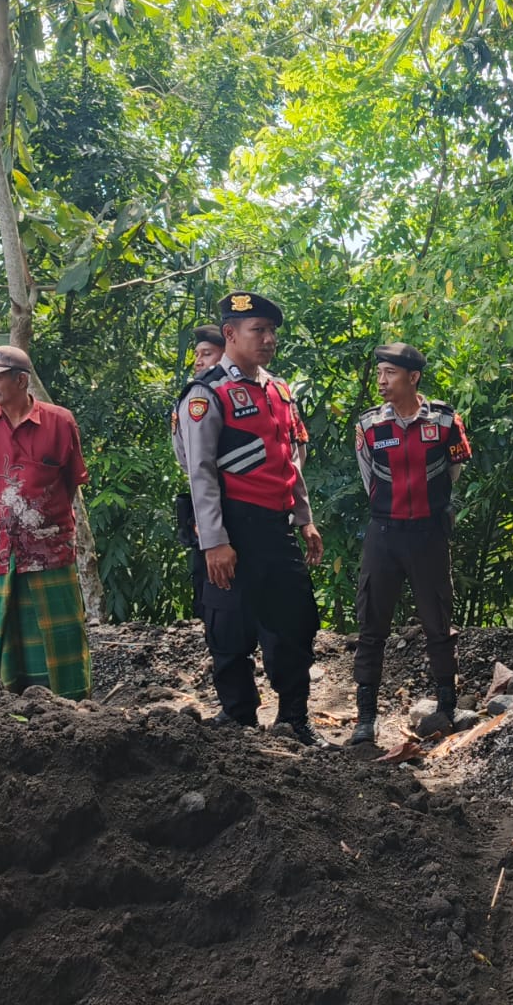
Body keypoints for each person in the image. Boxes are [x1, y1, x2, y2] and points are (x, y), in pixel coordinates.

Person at [175, 291, 328, 746]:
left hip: (275, 528)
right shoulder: (206, 394)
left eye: (271, 330)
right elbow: (199, 471)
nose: (268, 339)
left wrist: (305, 518)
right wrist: (214, 541)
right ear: (230, 334)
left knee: (293, 622)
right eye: (257, 330)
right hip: (230, 528)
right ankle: (238, 719)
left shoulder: (279, 390)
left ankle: (294, 720)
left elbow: (288, 461)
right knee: (228, 625)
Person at [348, 342, 473, 745]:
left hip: (428, 535)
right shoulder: (369, 426)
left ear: (413, 377)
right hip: (383, 535)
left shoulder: (446, 420)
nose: (381, 381)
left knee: (438, 623)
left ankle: (446, 707)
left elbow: (453, 471)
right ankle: (365, 718)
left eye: (390, 374)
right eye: (380, 373)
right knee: (372, 625)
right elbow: (368, 477)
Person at [0, 345, 92, 700]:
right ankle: (11, 701)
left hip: (50, 545)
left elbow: (72, 481)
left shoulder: (60, 421)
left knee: (61, 631)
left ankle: (73, 702)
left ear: (21, 380)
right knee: (9, 628)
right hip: (0, 547)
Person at [173, 324, 227, 617]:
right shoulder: (196, 394)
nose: (198, 360)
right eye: (196, 354)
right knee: (207, 582)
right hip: (203, 503)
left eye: (207, 353)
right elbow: (189, 461)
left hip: (233, 497)